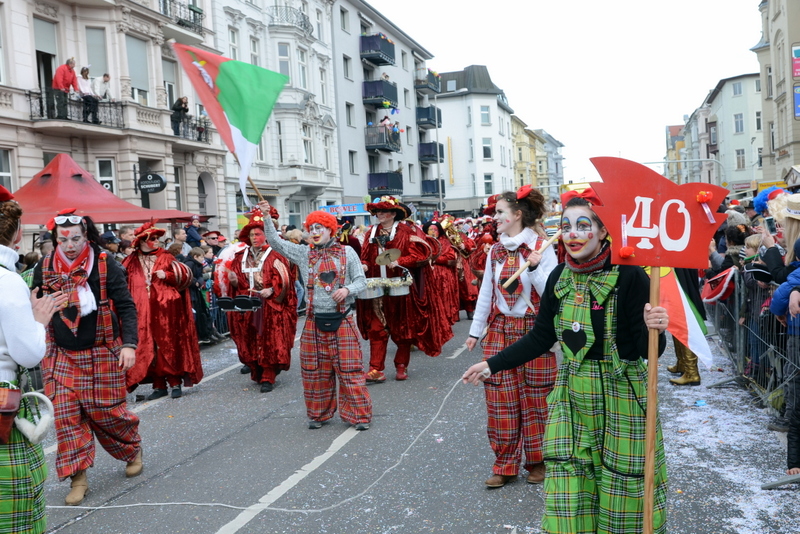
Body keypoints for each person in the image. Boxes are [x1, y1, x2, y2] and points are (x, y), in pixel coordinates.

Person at [463, 191, 670, 534]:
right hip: (573, 392)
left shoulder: (630, 276)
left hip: (621, 392)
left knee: (623, 482)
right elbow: (541, 338)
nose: (573, 234)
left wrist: (656, 329)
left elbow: (646, 351)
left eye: (583, 225)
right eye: (566, 227)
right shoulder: (559, 277)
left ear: (603, 232)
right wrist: (492, 364)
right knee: (571, 480)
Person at [33, 209, 143, 506]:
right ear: (55, 238)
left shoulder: (106, 263)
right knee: (67, 418)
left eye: (76, 238)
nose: (70, 245)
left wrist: (129, 345)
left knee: (108, 413)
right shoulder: (44, 267)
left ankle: (132, 449)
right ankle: (78, 477)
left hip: (102, 351)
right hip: (60, 354)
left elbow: (127, 307)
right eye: (63, 239)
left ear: (86, 234)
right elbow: (34, 306)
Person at [466, 186, 558, 488]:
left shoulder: (543, 247)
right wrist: (475, 331)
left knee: (536, 400)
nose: (495, 218)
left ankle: (537, 461)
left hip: (534, 331)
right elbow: (486, 294)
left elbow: (552, 294)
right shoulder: (495, 250)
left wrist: (533, 268)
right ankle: (504, 464)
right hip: (501, 330)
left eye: (500, 212)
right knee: (499, 400)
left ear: (517, 214)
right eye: (495, 213)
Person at [260, 202, 372, 429]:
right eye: (312, 228)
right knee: (315, 372)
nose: (315, 232)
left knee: (350, 371)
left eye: (320, 227)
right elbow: (274, 242)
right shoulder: (303, 253)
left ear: (331, 230)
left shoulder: (347, 252)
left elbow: (361, 281)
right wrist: (265, 216)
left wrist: (347, 289)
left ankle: (359, 417)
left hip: (343, 319)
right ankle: (318, 415)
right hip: (313, 321)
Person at [0, 186, 64, 533]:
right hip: (3, 404)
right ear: (17, 232)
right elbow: (28, 353)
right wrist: (39, 320)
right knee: (14, 509)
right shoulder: (7, 282)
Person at [122, 222, 203, 399]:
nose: (157, 242)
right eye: (153, 239)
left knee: (168, 346)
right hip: (141, 314)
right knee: (148, 349)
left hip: (167, 312)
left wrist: (168, 276)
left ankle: (175, 383)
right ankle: (159, 386)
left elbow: (185, 277)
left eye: (158, 239)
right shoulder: (131, 261)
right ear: (142, 241)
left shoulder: (166, 257)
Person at [221, 207, 296, 392]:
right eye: (252, 234)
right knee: (250, 339)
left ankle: (268, 375)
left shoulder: (276, 254)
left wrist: (271, 290)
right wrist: (233, 280)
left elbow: (285, 279)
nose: (254, 237)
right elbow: (238, 281)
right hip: (248, 305)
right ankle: (257, 370)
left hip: (269, 306)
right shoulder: (240, 257)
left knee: (269, 339)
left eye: (258, 233)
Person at [357, 196, 432, 382]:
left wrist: (400, 261)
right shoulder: (370, 233)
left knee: (402, 330)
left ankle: (401, 365)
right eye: (377, 211)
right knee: (377, 329)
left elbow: (419, 254)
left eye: (383, 211)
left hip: (400, 288)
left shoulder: (405, 231)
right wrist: (364, 265)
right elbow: (365, 256)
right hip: (376, 287)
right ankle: (375, 369)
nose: (379, 214)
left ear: (393, 213)